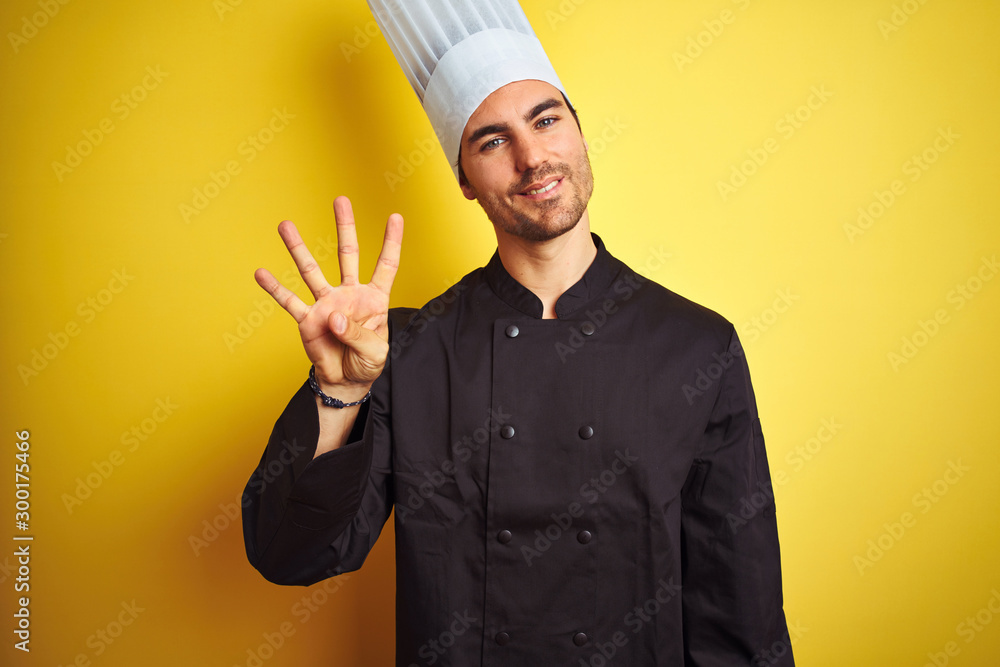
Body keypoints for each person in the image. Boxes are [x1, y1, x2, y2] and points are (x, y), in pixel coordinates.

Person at [242, 1, 794, 665]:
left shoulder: (698, 347)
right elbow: (290, 554)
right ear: (466, 180)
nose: (533, 157)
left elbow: (739, 610)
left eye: (546, 119)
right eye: (493, 140)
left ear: (579, 133)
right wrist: (340, 395)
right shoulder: (406, 351)